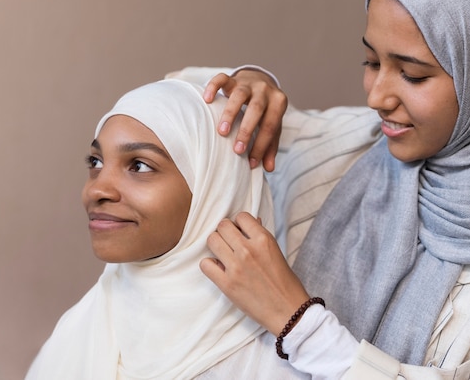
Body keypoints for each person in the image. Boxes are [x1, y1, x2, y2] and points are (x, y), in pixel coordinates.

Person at [170, 0, 470, 378]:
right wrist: (251, 84)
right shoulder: (349, 144)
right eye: (372, 63)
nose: (376, 97)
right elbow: (167, 114)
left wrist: (299, 325)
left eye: (411, 75)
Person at [24, 79, 309, 379]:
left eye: (139, 166)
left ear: (213, 189)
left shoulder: (278, 361)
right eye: (95, 162)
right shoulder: (81, 326)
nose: (97, 190)